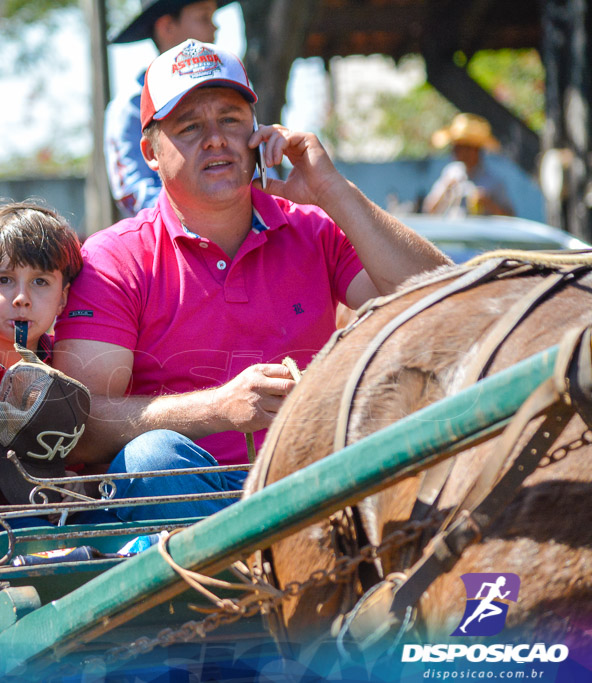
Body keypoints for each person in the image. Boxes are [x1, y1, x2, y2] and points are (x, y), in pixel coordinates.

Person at [54, 40, 450, 522]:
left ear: (259, 134)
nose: (216, 139)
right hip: (188, 507)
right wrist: (217, 409)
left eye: (231, 119)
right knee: (151, 457)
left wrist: (331, 190)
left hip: (317, 483)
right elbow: (79, 425)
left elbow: (444, 301)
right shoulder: (113, 258)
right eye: (191, 127)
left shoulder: (313, 226)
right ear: (150, 153)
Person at [0, 202, 84, 500]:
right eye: (4, 280)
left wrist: (81, 485)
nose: (22, 298)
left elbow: (92, 463)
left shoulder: (72, 365)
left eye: (40, 282)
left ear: (62, 300)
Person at [104, 0, 232, 217]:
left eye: (229, 120)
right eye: (204, 18)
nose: (215, 27)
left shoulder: (232, 93)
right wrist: (205, 217)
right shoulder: (132, 105)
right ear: (167, 27)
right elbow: (133, 191)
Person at [422, 113, 515, 216]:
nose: (454, 151)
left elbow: (511, 218)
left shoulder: (494, 181)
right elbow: (428, 209)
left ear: (474, 150)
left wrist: (489, 204)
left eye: (460, 147)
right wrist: (446, 189)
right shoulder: (451, 173)